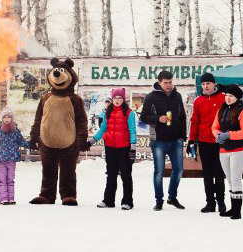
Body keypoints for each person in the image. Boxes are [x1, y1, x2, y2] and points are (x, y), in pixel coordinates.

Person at [140, 69, 188, 210]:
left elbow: (182, 117)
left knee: (178, 169)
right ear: (159, 82)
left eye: (170, 82)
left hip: (176, 140)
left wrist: (182, 136)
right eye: (166, 82)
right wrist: (157, 118)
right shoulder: (151, 97)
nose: (168, 85)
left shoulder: (177, 95)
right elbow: (143, 117)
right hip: (158, 140)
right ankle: (159, 200)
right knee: (159, 171)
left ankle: (172, 197)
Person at [93, 88, 137, 210]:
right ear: (112, 99)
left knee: (126, 175)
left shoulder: (129, 113)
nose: (117, 100)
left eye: (120, 98)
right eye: (115, 98)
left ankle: (127, 201)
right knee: (111, 174)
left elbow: (132, 130)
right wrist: (92, 140)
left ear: (123, 99)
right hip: (110, 147)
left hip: (124, 147)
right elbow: (102, 129)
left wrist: (133, 147)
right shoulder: (108, 112)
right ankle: (108, 200)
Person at [212, 83, 243, 219]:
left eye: (231, 96)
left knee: (235, 178)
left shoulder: (242, 111)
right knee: (229, 178)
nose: (228, 98)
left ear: (237, 97)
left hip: (238, 149)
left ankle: (237, 210)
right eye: (226, 95)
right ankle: (232, 208)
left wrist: (229, 134)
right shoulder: (221, 110)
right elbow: (214, 126)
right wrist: (217, 135)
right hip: (224, 149)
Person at [188, 72, 226, 214]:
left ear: (214, 84)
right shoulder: (198, 101)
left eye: (208, 83)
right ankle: (210, 202)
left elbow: (228, 118)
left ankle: (221, 202)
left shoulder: (223, 98)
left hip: (219, 141)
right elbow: (195, 121)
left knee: (219, 173)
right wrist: (192, 139)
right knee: (207, 173)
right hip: (204, 141)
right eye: (203, 84)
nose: (205, 86)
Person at [0, 108, 30, 205]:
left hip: (11, 159)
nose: (7, 119)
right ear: (1, 118)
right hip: (0, 159)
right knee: (1, 179)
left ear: (12, 118)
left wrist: (33, 144)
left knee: (10, 179)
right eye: (5, 117)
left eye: (9, 117)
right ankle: (3, 198)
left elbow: (22, 142)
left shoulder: (15, 132)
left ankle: (10, 198)